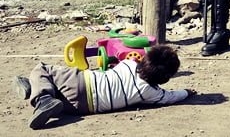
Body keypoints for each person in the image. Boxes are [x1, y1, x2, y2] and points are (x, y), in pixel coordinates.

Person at [12, 45, 195, 129]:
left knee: (43, 69)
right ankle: (40, 93)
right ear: (165, 78)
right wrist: (187, 92)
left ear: (145, 59)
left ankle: (40, 97)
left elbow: (124, 58)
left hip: (83, 82)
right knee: (57, 96)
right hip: (81, 108)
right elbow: (173, 96)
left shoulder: (128, 64)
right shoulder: (152, 93)